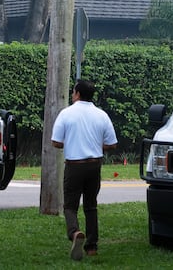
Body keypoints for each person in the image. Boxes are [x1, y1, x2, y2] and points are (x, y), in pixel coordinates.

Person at [51, 79, 117, 261]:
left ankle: (75, 233)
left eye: (73, 92)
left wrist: (71, 142)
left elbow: (55, 142)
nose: (72, 95)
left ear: (77, 94)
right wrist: (95, 145)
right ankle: (92, 246)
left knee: (70, 206)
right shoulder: (101, 115)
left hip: (74, 166)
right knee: (91, 205)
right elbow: (112, 144)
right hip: (94, 165)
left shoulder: (66, 114)